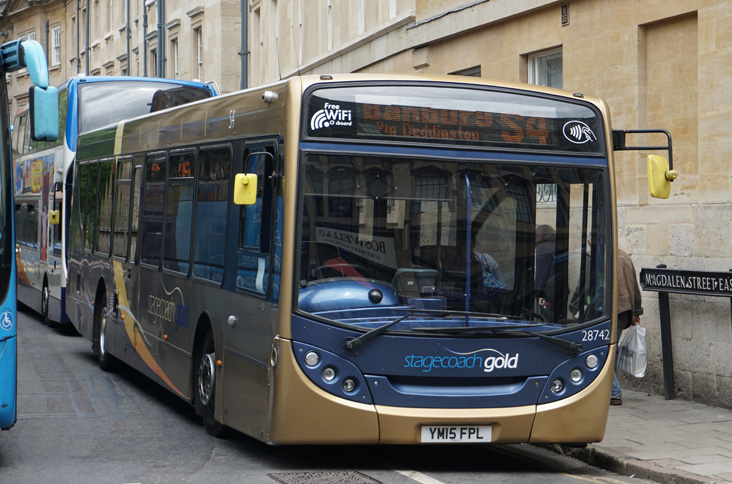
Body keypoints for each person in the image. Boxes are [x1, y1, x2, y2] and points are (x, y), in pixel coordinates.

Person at [612, 248, 643, 405]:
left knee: (606, 351)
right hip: (625, 311)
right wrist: (637, 311)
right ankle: (610, 389)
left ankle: (614, 392)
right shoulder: (624, 255)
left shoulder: (600, 255)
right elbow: (634, 286)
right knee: (613, 349)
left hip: (611, 310)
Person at [534, 225, 556, 317]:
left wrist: (540, 294)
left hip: (547, 291)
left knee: (545, 318)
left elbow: (541, 273)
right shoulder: (556, 245)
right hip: (559, 289)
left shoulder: (542, 248)